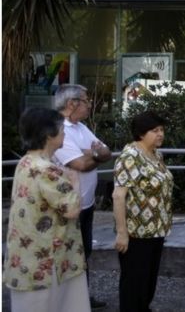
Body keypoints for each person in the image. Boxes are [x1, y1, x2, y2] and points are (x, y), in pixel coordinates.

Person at [3, 108, 90, 312]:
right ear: (49, 135)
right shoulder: (47, 169)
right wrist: (74, 181)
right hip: (49, 259)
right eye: (61, 129)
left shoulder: (25, 162)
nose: (64, 134)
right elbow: (72, 209)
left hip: (26, 255)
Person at [53, 84, 111, 310]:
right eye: (86, 101)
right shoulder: (58, 128)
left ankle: (82, 298)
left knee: (84, 252)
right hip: (67, 208)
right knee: (67, 254)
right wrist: (93, 153)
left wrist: (92, 153)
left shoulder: (81, 127)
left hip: (86, 204)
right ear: (71, 104)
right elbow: (80, 164)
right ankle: (67, 301)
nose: (90, 105)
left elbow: (106, 151)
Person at [113, 111, 173, 312]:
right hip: (136, 232)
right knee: (134, 284)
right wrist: (122, 233)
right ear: (141, 133)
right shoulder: (130, 157)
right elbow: (119, 196)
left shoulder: (156, 154)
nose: (160, 134)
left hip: (157, 229)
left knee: (148, 282)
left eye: (162, 130)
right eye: (154, 131)